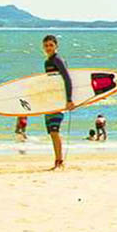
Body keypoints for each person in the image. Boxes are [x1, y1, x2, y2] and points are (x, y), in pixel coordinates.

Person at [42, 34, 74, 170]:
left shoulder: (58, 60)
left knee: (55, 131)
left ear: (56, 46)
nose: (48, 48)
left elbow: (67, 79)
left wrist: (69, 100)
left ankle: (59, 162)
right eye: (46, 45)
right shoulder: (47, 62)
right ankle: (57, 161)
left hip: (58, 101)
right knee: (51, 132)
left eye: (51, 45)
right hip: (50, 100)